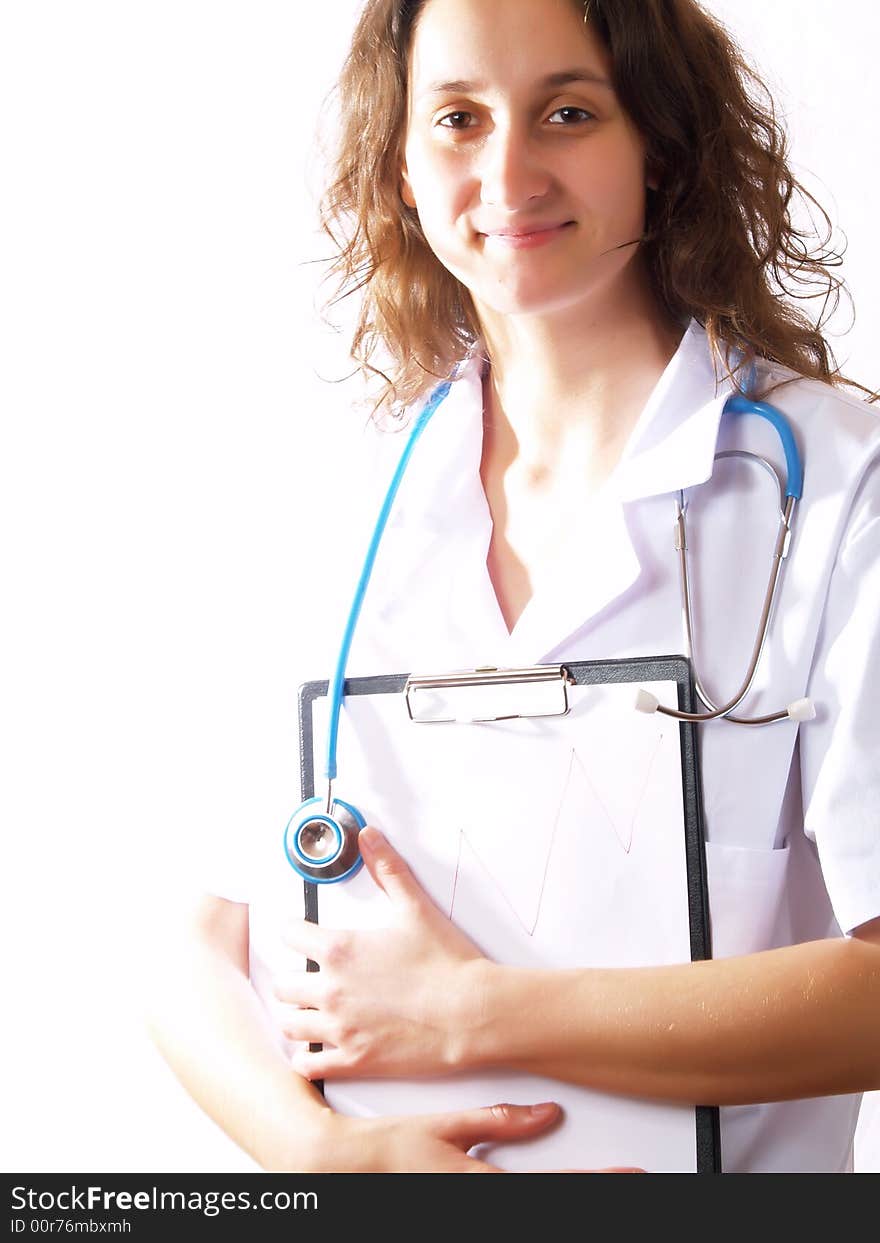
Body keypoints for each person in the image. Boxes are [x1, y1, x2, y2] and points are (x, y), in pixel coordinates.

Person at [147, 0, 880, 1173]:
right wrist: (337, 1160)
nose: (507, 171)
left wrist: (473, 1012)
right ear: (400, 170)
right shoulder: (348, 498)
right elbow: (196, 937)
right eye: (457, 118)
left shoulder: (840, 487)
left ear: (663, 144)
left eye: (568, 112)